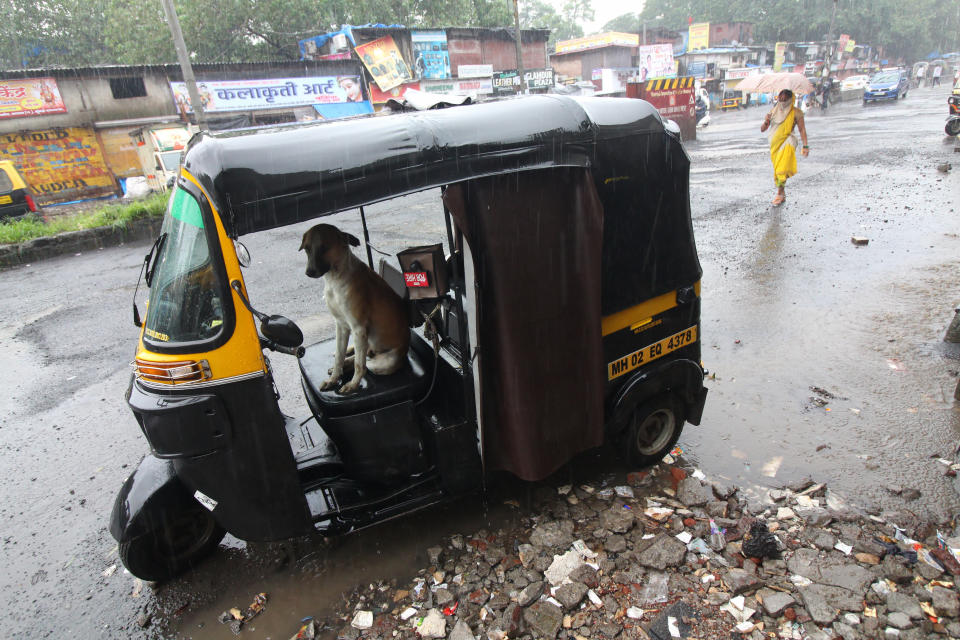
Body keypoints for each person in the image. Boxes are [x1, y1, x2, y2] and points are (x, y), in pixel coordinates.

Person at [760, 89, 809, 206]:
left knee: (782, 169)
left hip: (788, 141)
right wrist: (766, 121)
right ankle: (782, 192)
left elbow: (802, 130)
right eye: (780, 97)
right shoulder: (773, 112)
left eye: (785, 97)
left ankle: (779, 193)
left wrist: (805, 146)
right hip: (775, 144)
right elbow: (762, 129)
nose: (782, 99)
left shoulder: (796, 113)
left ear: (790, 99)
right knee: (778, 171)